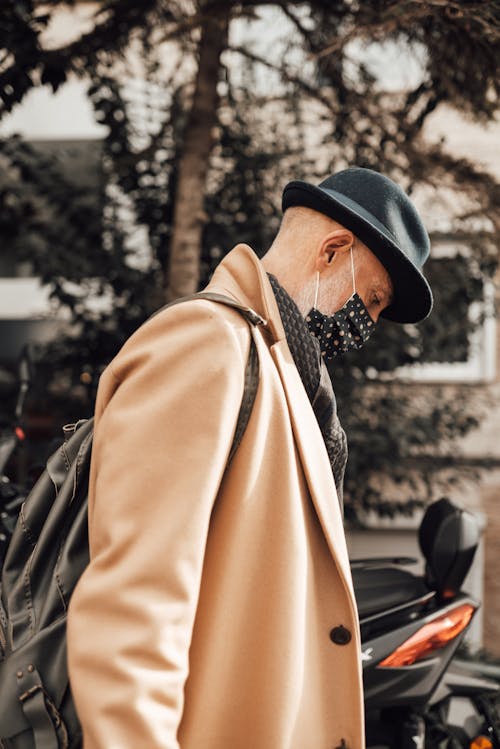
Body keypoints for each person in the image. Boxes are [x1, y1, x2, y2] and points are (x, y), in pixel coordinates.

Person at [66, 166, 433, 749]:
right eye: (372, 301)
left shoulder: (285, 375)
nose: (367, 328)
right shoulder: (207, 345)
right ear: (333, 251)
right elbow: (134, 612)